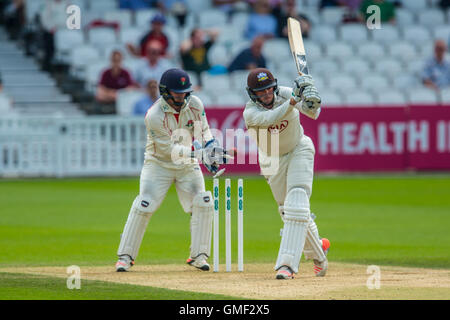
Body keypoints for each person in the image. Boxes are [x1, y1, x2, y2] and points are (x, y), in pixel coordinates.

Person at [115, 68, 230, 272]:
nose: (182, 96)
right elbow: (169, 150)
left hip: (187, 165)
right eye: (177, 92)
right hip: (158, 164)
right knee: (145, 204)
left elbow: (203, 130)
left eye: (185, 91)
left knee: (203, 201)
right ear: (165, 91)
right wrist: (200, 154)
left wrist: (211, 146)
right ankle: (125, 257)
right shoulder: (154, 115)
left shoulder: (195, 104)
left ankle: (199, 256)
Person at [242, 68, 330, 280]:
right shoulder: (250, 113)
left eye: (269, 89)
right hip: (271, 159)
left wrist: (311, 97)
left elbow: (313, 113)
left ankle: (286, 265)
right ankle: (319, 252)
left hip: (299, 148)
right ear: (252, 94)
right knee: (287, 211)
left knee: (297, 202)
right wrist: (293, 101)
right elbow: (270, 119)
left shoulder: (286, 93)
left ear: (274, 86)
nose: (267, 95)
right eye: (261, 92)